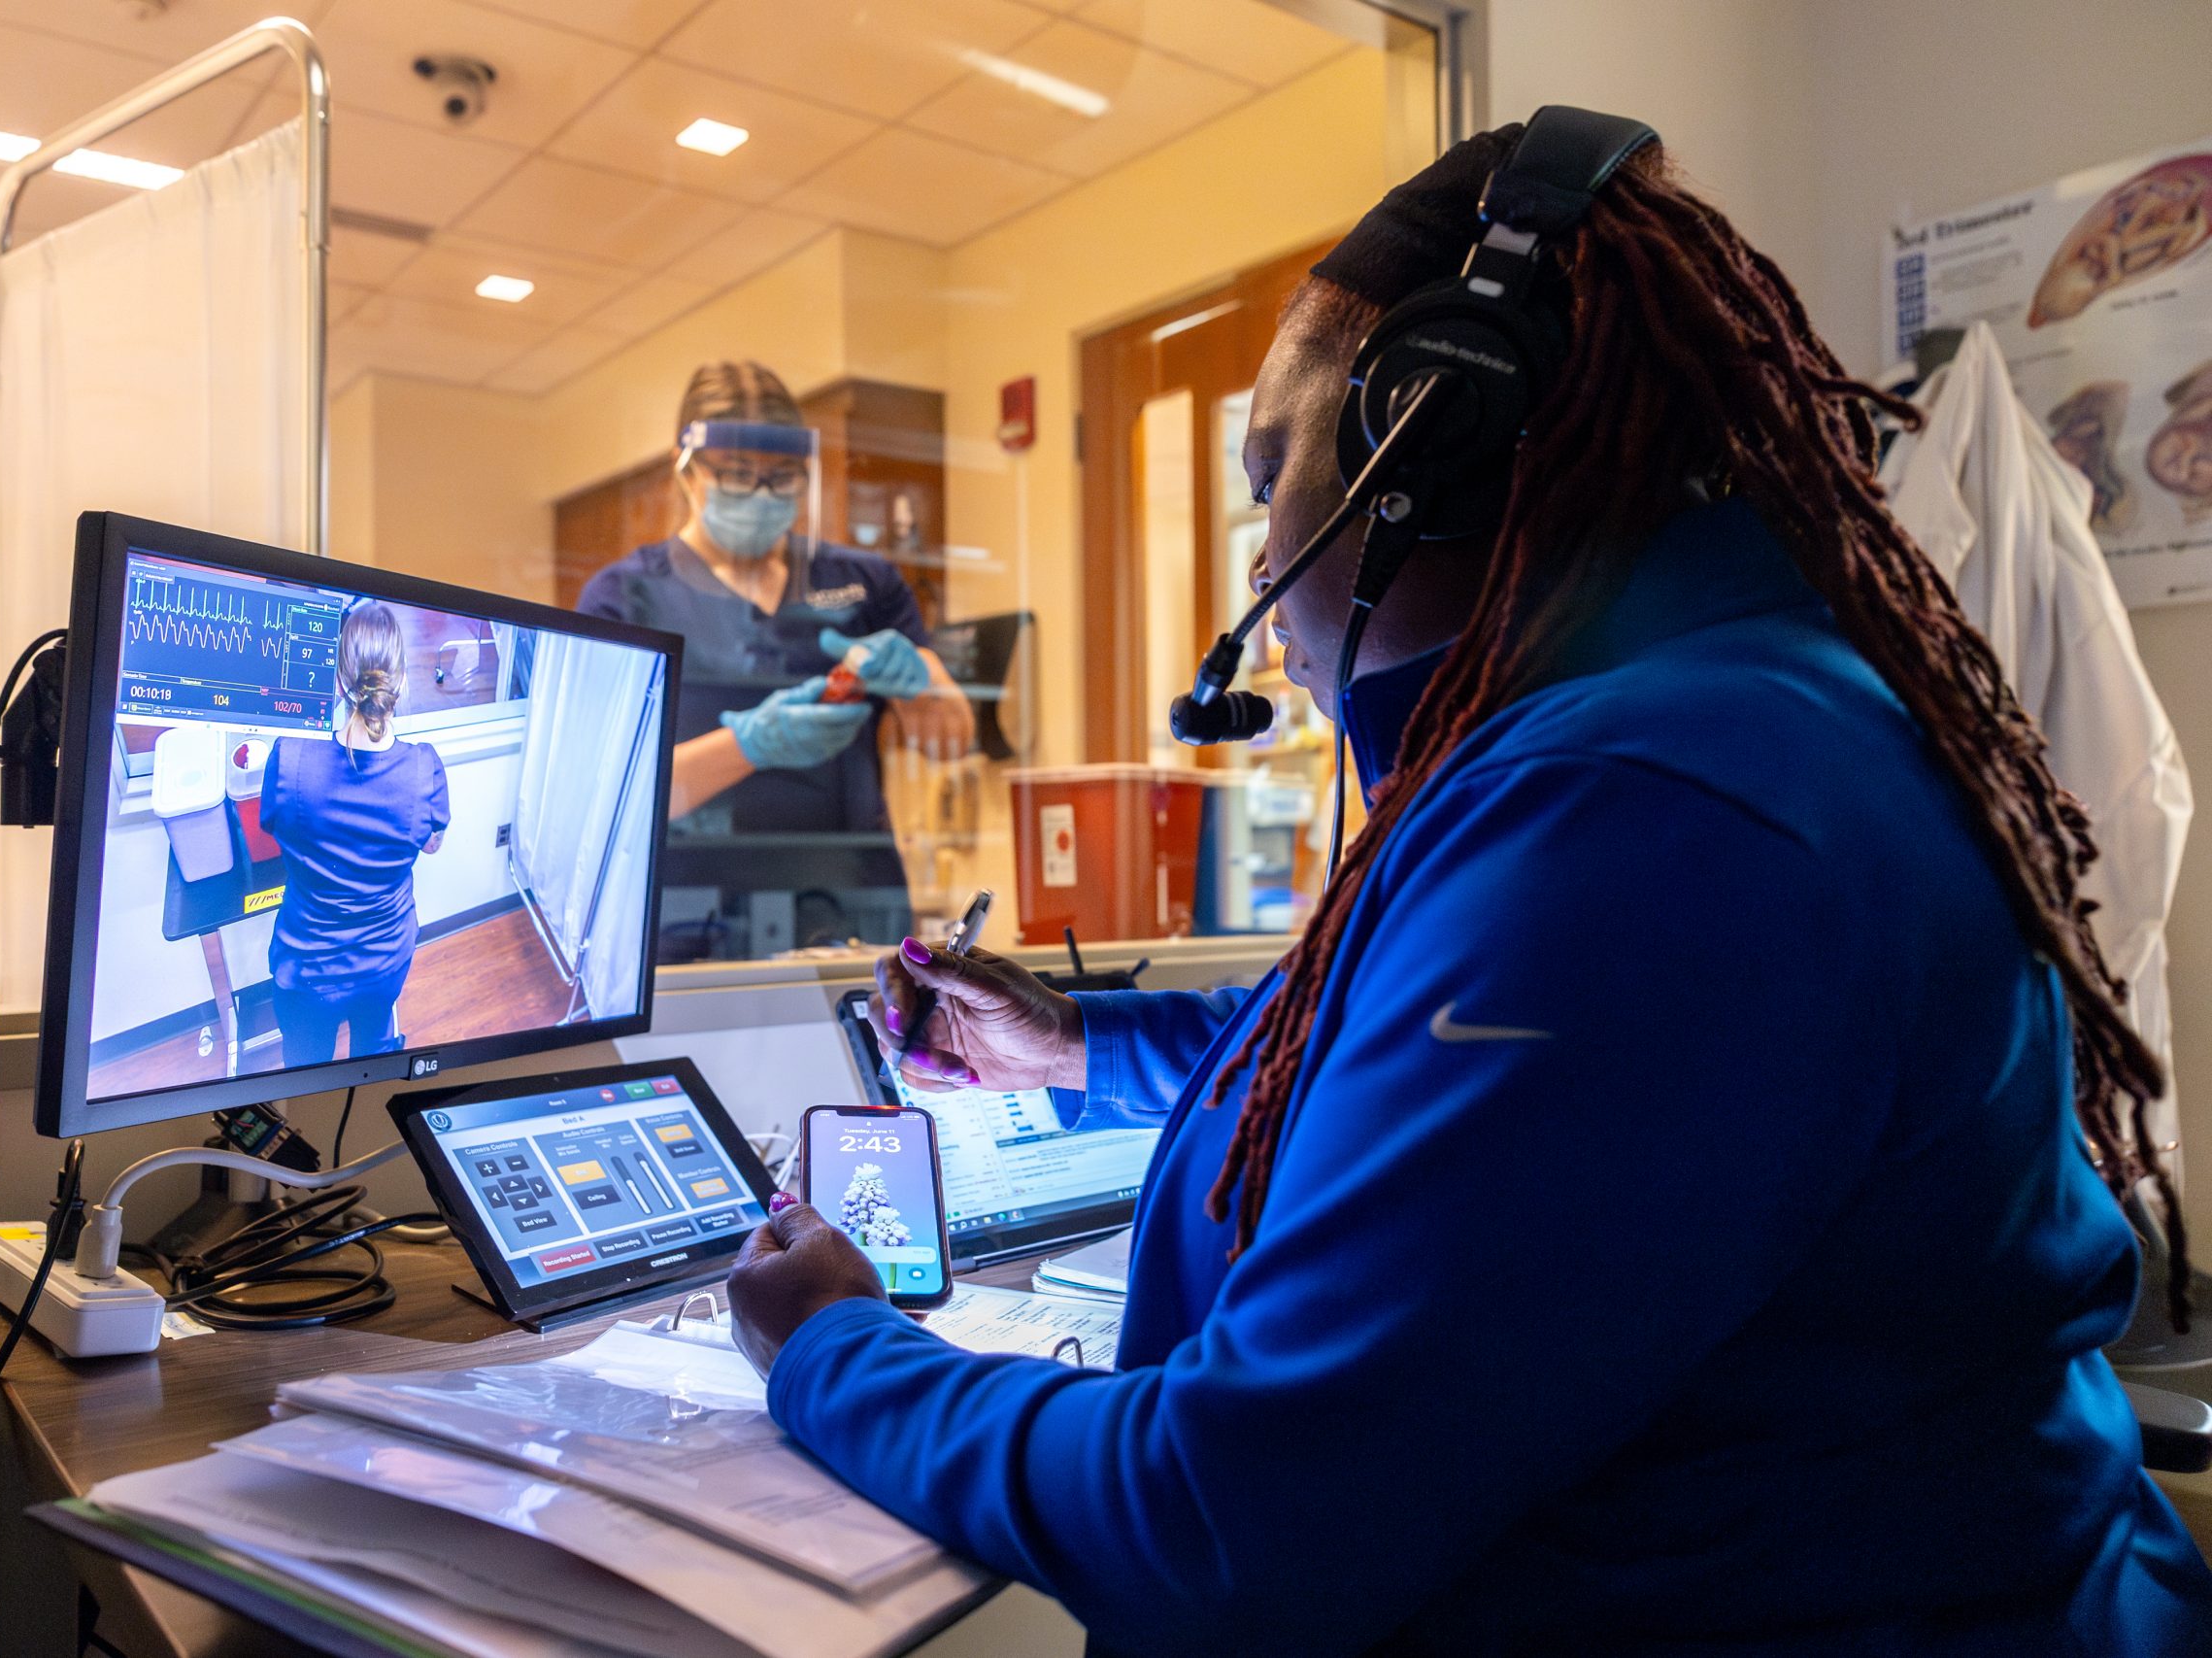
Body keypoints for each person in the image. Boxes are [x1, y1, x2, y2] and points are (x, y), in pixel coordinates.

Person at [724, 126, 2212, 1654]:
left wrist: (834, 1345)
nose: (1256, 574)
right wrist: (1080, 1046)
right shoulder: (1700, 717)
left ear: (1427, 438)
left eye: (1270, 477)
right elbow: (1387, 1045)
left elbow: (1228, 1521)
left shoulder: (1651, 816)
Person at [577, 362, 973, 961]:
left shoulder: (861, 581)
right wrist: (751, 746)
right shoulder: (626, 596)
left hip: (851, 905)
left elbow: (952, 738)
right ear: (685, 469)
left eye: (782, 477)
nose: (762, 495)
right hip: (690, 919)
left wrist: (920, 682)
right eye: (737, 475)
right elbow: (613, 794)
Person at [259, 600, 450, 1068]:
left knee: (305, 1072)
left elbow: (273, 827)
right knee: (373, 1065)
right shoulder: (424, 769)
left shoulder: (289, 760)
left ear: (340, 684)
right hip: (385, 964)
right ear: (401, 682)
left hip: (306, 972)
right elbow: (430, 842)